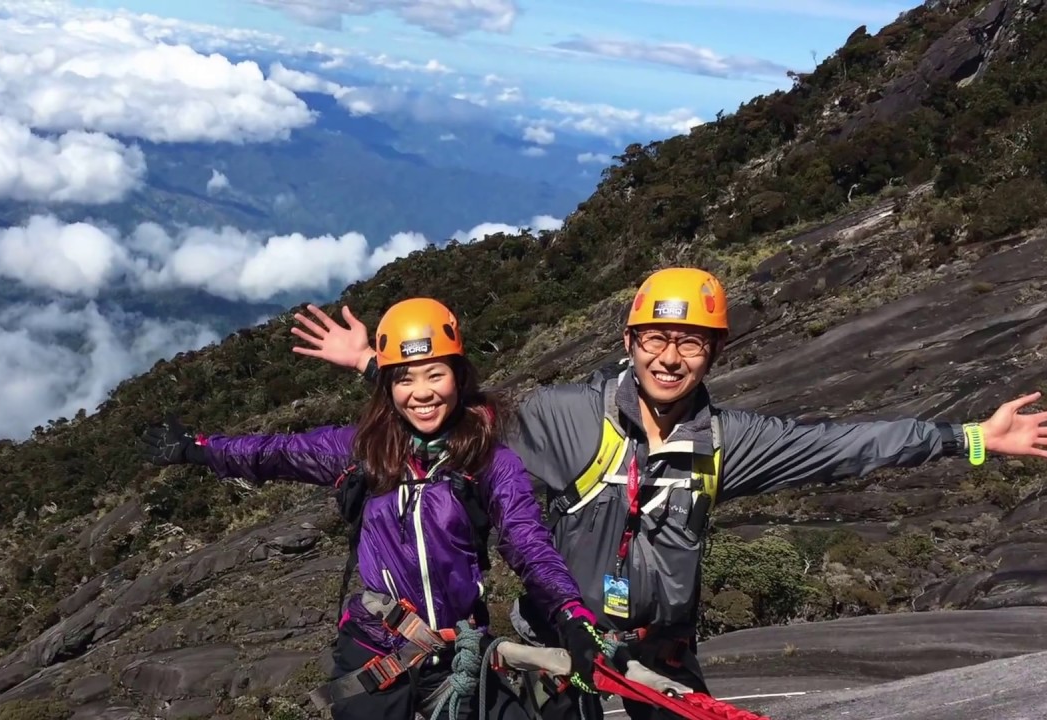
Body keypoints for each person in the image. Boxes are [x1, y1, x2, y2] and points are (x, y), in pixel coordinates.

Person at [287, 266, 1047, 720]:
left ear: (713, 350)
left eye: (690, 341)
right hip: (562, 651)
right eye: (654, 336)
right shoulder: (564, 416)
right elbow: (458, 423)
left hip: (664, 654)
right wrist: (374, 371)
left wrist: (974, 438)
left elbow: (839, 445)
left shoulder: (728, 440)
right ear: (628, 341)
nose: (670, 356)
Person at [138, 297, 610, 720]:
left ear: (459, 377)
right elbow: (275, 452)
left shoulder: (488, 462)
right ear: (387, 386)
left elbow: (528, 542)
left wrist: (571, 614)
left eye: (435, 374)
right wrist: (199, 448)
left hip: (458, 654)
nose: (421, 392)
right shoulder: (362, 450)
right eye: (404, 379)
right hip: (375, 649)